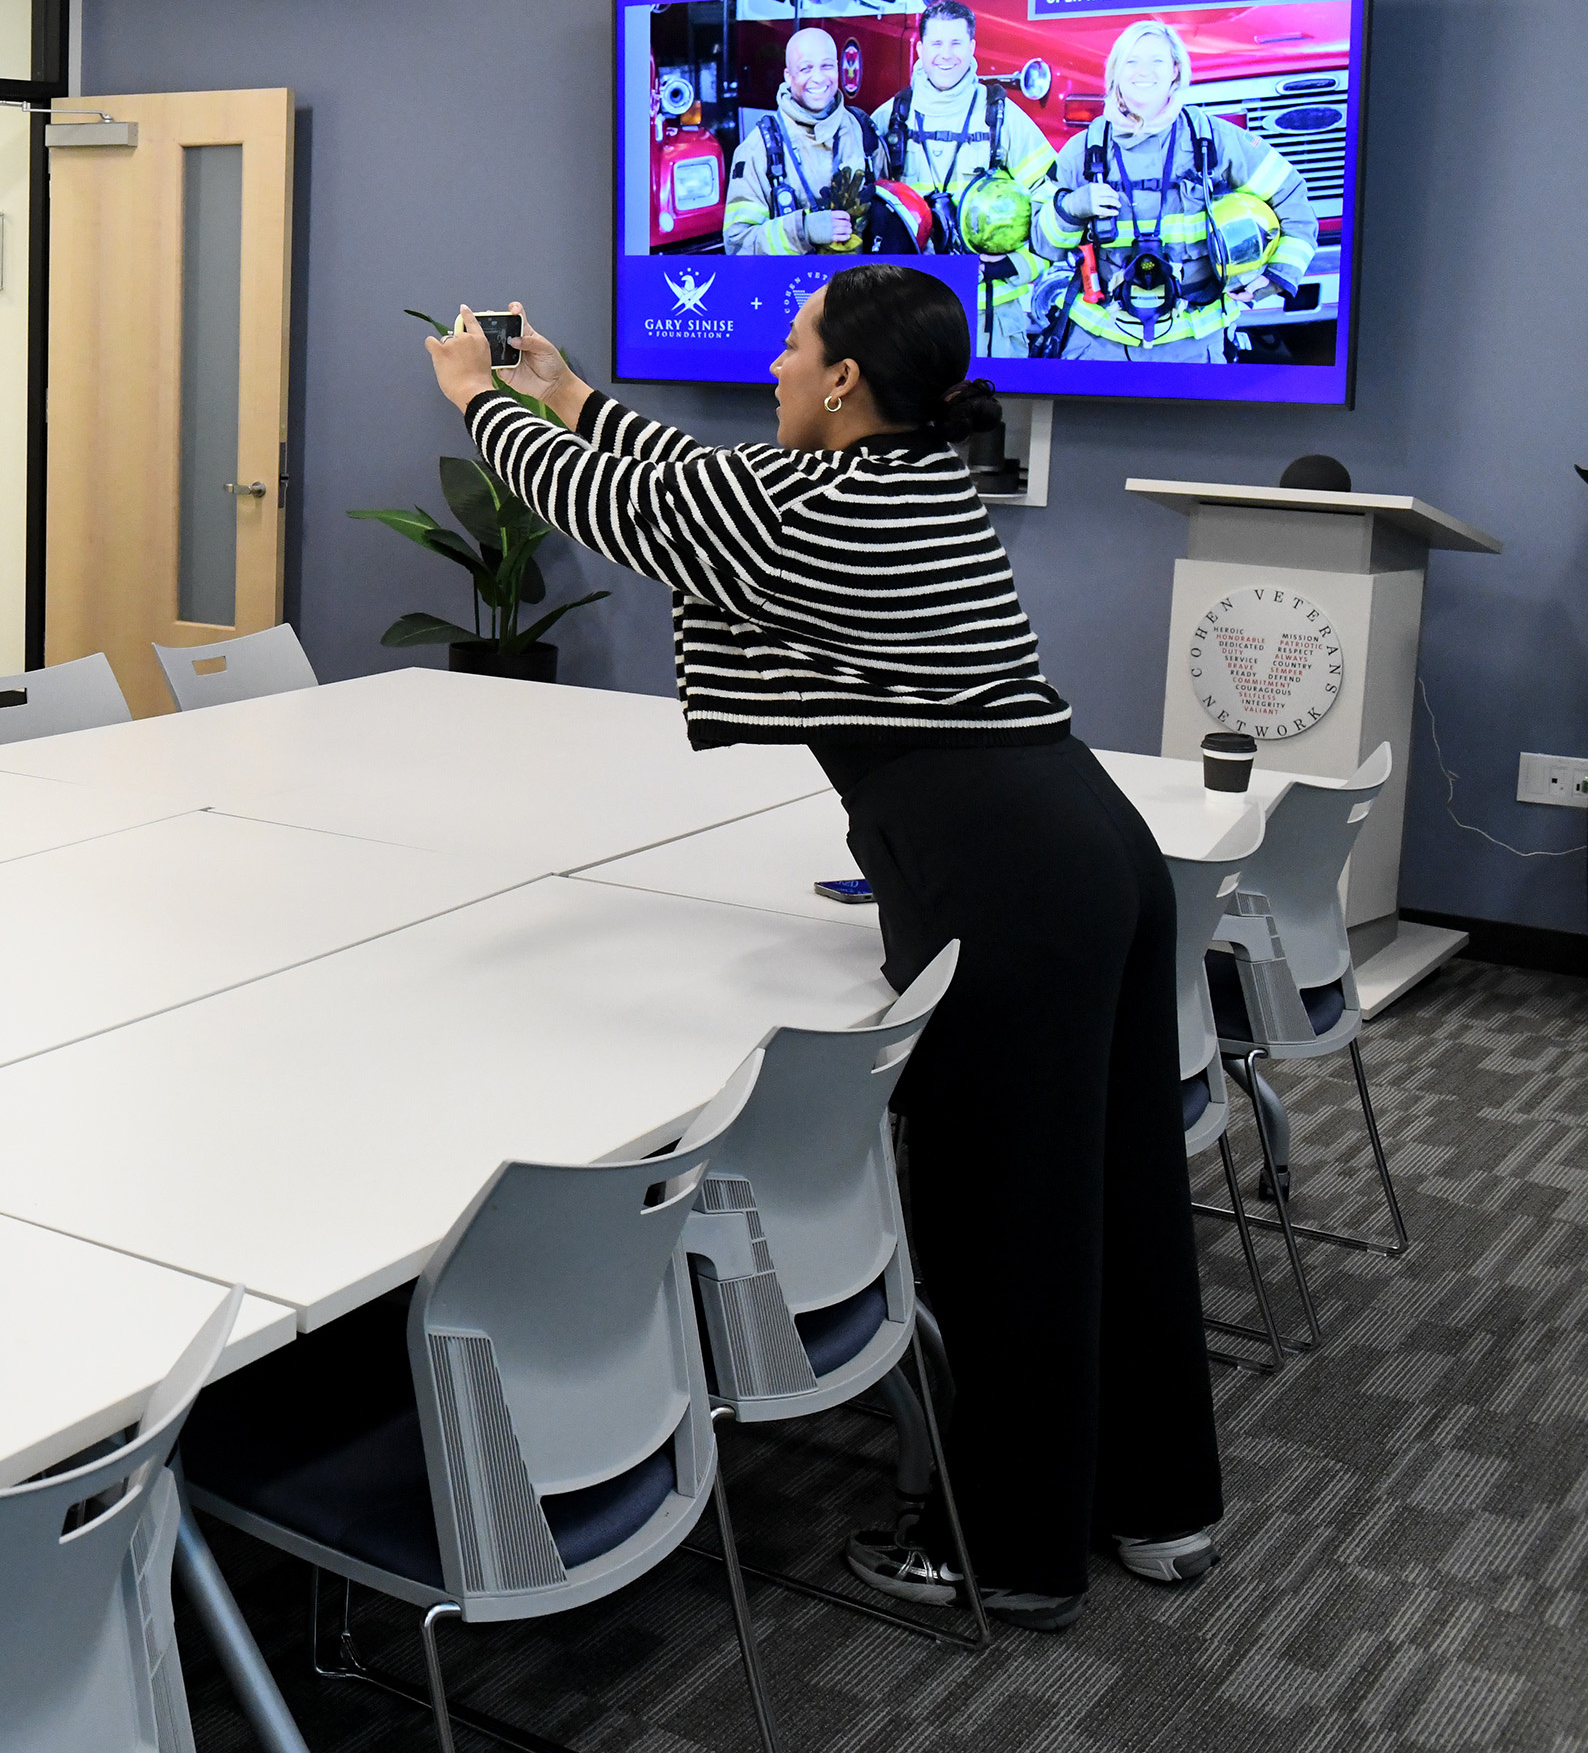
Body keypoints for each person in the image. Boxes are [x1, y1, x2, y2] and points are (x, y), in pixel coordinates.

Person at [427, 266, 1222, 1632]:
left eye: (792, 346)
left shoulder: (841, 510)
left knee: (1002, 1219)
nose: (778, 368)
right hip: (1084, 850)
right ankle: (1158, 1506)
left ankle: (1013, 1553)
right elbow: (689, 478)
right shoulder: (895, 483)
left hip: (1009, 879)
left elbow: (636, 509)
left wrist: (483, 406)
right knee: (1114, 1188)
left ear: (846, 379)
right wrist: (561, 391)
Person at [1026, 18, 1316, 364]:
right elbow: (1041, 243)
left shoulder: (1212, 140)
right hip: (1098, 349)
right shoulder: (1085, 149)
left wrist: (1277, 277)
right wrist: (1072, 207)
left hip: (1195, 349)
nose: (1143, 72)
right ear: (1115, 70)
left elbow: (1293, 200)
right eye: (1131, 61)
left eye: (1157, 61)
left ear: (1176, 70)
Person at [869, 0, 1058, 354]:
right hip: (908, 314)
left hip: (990, 317)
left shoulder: (1003, 118)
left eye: (956, 43)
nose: (946, 55)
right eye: (937, 44)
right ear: (920, 49)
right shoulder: (890, 119)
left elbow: (1053, 205)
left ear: (972, 48)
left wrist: (1012, 264)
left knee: (996, 410)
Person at [723, 25, 876, 255]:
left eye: (827, 66)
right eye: (806, 68)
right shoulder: (757, 149)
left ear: (838, 68)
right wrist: (803, 230)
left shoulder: (862, 131)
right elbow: (738, 246)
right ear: (788, 76)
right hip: (795, 288)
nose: (818, 78)